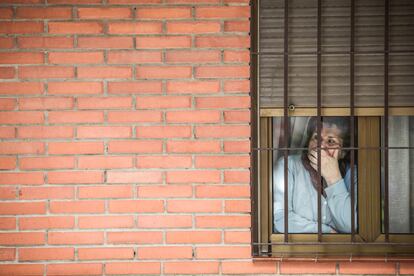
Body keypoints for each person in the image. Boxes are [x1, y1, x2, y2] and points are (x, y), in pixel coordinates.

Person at [273, 117, 357, 233]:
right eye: (317, 137)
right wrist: (326, 232)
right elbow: (281, 219)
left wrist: (333, 178)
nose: (321, 146)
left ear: (343, 152)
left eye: (331, 141)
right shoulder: (288, 166)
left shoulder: (353, 174)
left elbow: (351, 226)